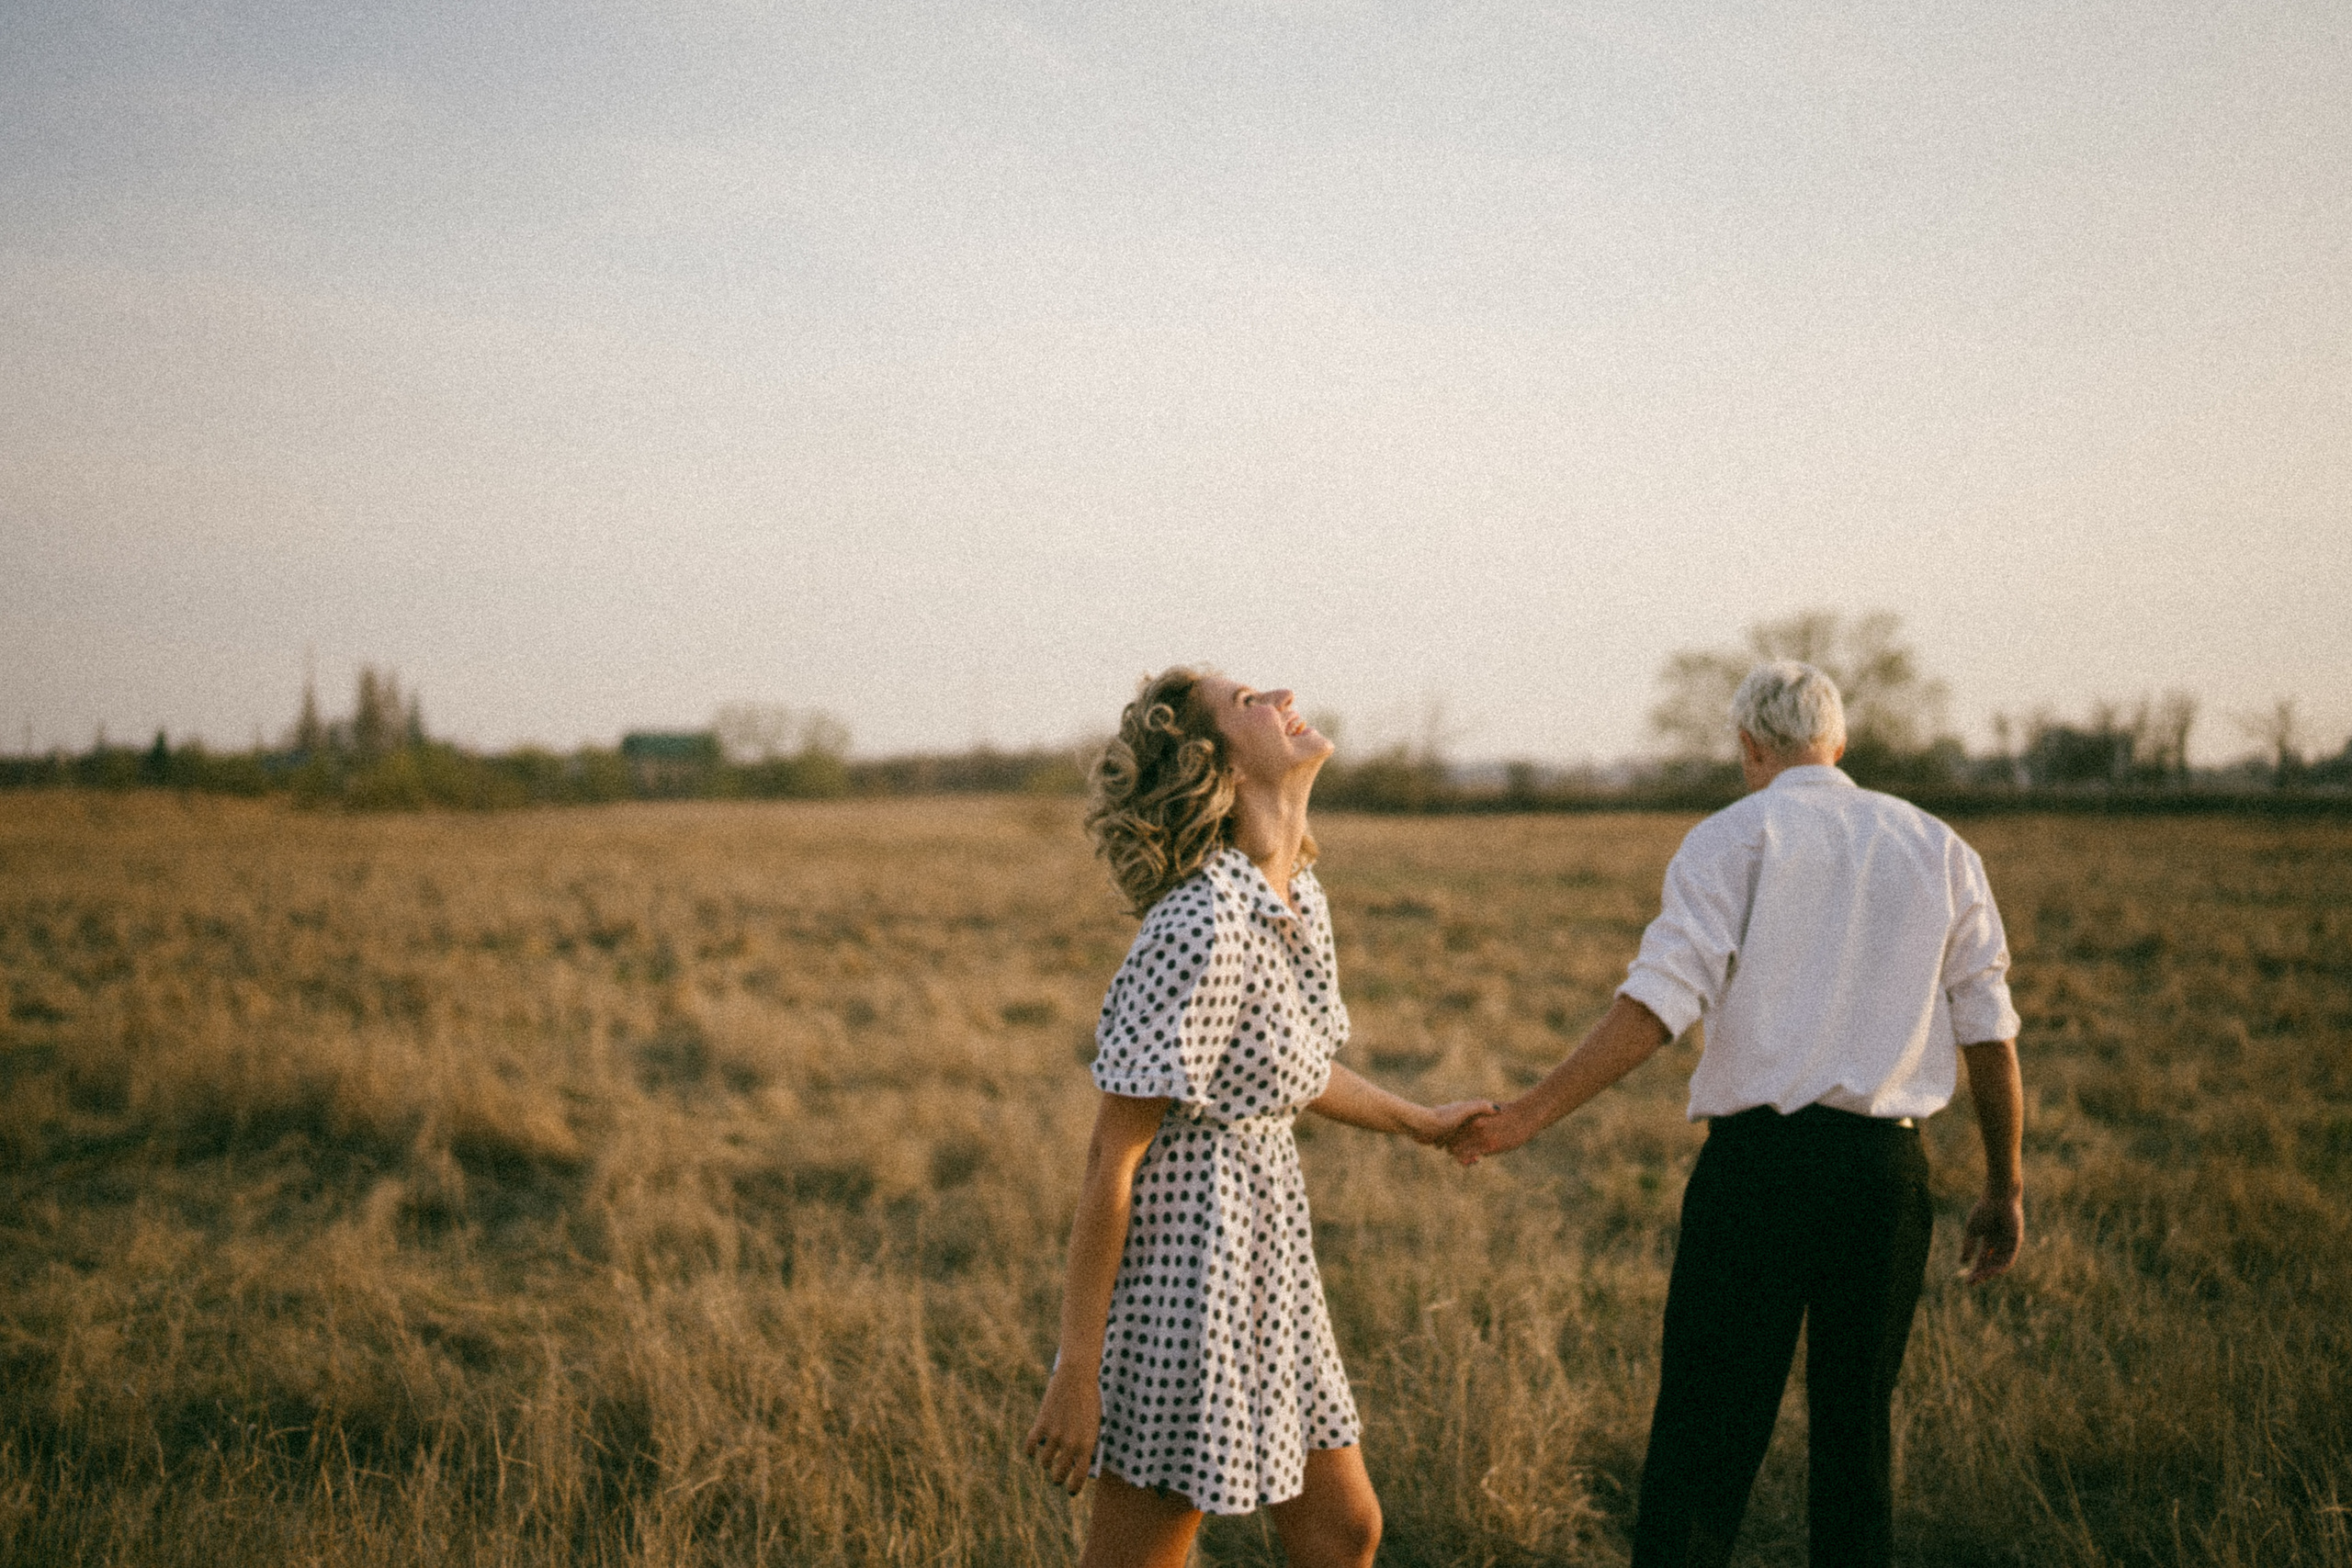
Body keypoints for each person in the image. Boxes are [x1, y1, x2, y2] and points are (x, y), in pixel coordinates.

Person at [1447, 660, 2025, 1568]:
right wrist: (2004, 1185)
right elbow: (1989, 1033)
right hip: (1884, 1179)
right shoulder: (1938, 847)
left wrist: (1525, 1115)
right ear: (1837, 743)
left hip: (1755, 1173)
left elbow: (1656, 1005)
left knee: (1702, 1444)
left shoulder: (1734, 836)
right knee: (1856, 1444)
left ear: (1749, 747)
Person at [1026, 667, 1494, 1568]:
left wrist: (1418, 1123)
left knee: (1340, 1530)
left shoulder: (1290, 898)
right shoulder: (1197, 923)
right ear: (1219, 765)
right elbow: (1109, 1163)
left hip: (1271, 1259)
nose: (1279, 692)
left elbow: (1291, 1069)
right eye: (1246, 703)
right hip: (1185, 1273)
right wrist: (1076, 1372)